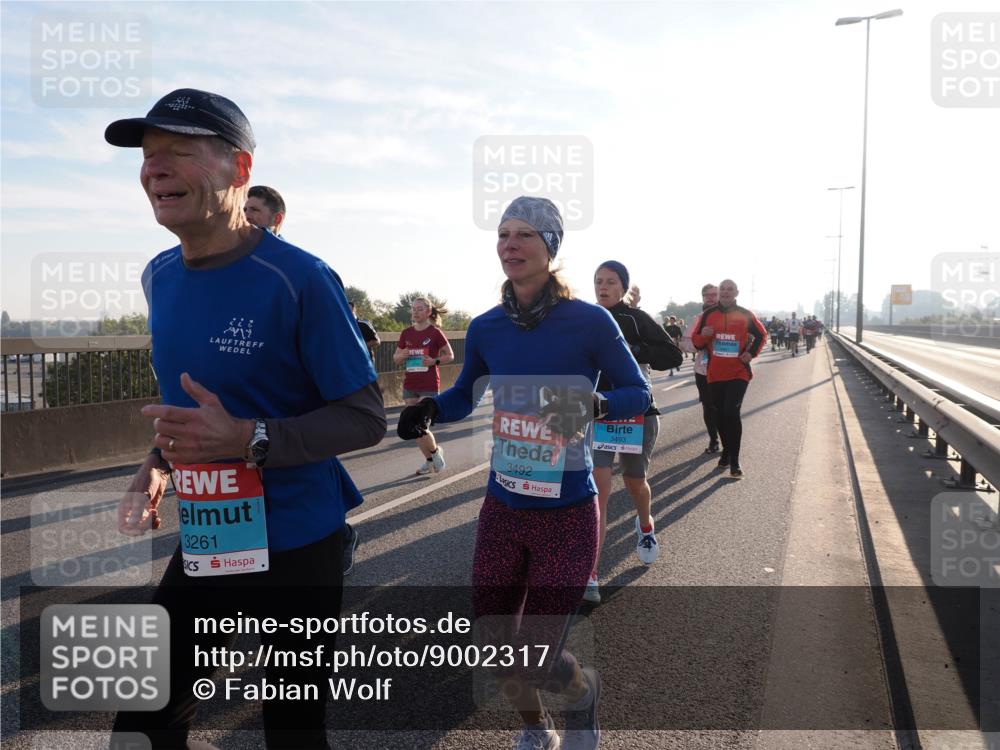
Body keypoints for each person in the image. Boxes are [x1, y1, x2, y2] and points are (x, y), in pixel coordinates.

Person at [105, 88, 385, 749]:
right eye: (148, 155)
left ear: (239, 168)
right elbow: (189, 406)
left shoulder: (301, 279)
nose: (155, 168)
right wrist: (157, 466)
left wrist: (249, 437)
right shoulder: (158, 276)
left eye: (179, 152)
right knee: (141, 724)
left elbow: (365, 417)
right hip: (213, 534)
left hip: (299, 540)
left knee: (292, 731)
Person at [397, 197, 650, 750]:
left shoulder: (590, 321)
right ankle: (537, 727)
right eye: (502, 233)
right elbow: (465, 393)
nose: (509, 244)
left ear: (550, 246)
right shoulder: (487, 327)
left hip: (567, 512)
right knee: (494, 646)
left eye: (524, 235)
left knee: (536, 654)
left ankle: (582, 694)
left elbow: (639, 391)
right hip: (504, 508)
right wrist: (432, 408)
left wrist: (597, 404)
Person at [588, 261, 683, 604]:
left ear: (623, 288)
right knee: (598, 491)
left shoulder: (635, 319)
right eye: (598, 281)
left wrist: (631, 348)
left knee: (634, 483)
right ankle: (590, 573)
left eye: (610, 281)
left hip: (637, 414)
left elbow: (672, 355)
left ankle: (645, 525)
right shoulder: (587, 319)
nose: (603, 286)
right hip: (598, 414)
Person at [691, 279, 767, 480]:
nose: (725, 292)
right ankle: (726, 451)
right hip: (715, 374)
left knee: (731, 412)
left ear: (736, 292)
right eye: (722, 289)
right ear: (719, 293)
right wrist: (704, 335)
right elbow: (696, 342)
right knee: (719, 415)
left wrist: (751, 353)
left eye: (729, 289)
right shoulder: (708, 315)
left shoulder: (745, 314)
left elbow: (761, 335)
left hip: (738, 372)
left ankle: (734, 460)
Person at [393, 297, 454, 475]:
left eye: (420, 309)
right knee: (412, 426)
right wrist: (402, 355)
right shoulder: (406, 333)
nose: (415, 312)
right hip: (410, 384)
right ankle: (430, 459)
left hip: (429, 384)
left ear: (428, 312)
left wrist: (434, 361)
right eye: (413, 309)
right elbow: (396, 358)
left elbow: (450, 355)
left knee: (421, 424)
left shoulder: (435, 333)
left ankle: (434, 453)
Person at [681, 283, 721, 454]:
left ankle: (729, 443)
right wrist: (700, 342)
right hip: (703, 370)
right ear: (703, 298)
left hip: (727, 371)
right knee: (709, 407)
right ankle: (714, 440)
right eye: (707, 295)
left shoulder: (730, 316)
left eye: (713, 294)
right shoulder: (698, 319)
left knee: (726, 409)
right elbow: (685, 343)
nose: (710, 298)